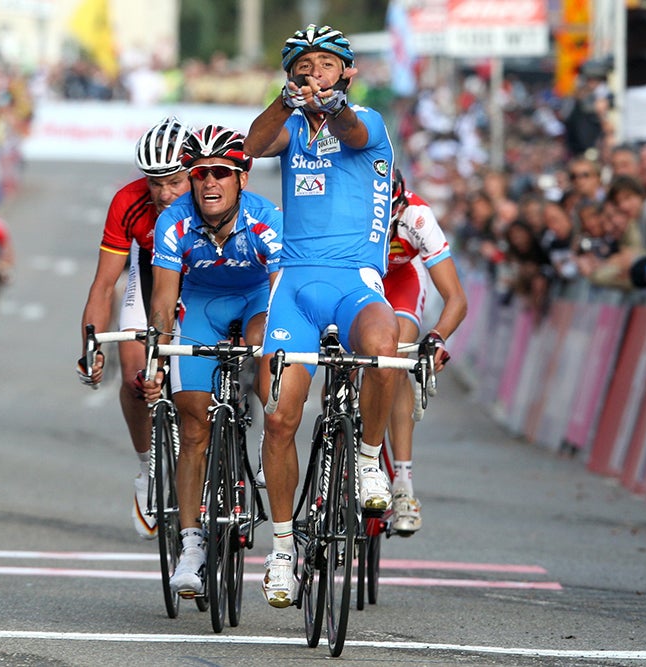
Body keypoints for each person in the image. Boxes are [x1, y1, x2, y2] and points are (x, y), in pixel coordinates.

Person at [243, 23, 400, 608]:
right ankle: (282, 550)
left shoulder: (369, 122)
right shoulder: (288, 127)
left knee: (383, 348)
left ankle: (367, 462)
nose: (313, 73)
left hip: (353, 280)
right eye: (302, 66)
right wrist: (284, 100)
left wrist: (332, 105)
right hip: (296, 286)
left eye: (324, 64)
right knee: (281, 418)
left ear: (347, 72)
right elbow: (252, 146)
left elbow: (352, 128)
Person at [142, 124, 282, 598]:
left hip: (256, 300)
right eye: (200, 174)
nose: (209, 184)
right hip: (199, 307)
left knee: (267, 336)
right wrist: (158, 356)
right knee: (194, 427)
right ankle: (191, 545)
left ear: (242, 177)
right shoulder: (174, 221)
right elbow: (163, 299)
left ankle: (267, 433)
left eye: (221, 173)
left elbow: (282, 292)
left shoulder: (266, 218)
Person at [77, 117, 192, 539]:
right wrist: (91, 347)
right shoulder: (127, 201)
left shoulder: (210, 194)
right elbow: (104, 283)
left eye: (175, 181)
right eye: (155, 182)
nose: (164, 193)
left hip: (201, 276)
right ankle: (147, 470)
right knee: (133, 376)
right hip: (148, 275)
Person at [384, 170, 467, 534]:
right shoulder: (343, 211)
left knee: (395, 358)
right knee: (343, 362)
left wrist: (436, 337)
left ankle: (402, 484)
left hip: (401, 282)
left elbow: (456, 298)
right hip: (357, 281)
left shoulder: (416, 215)